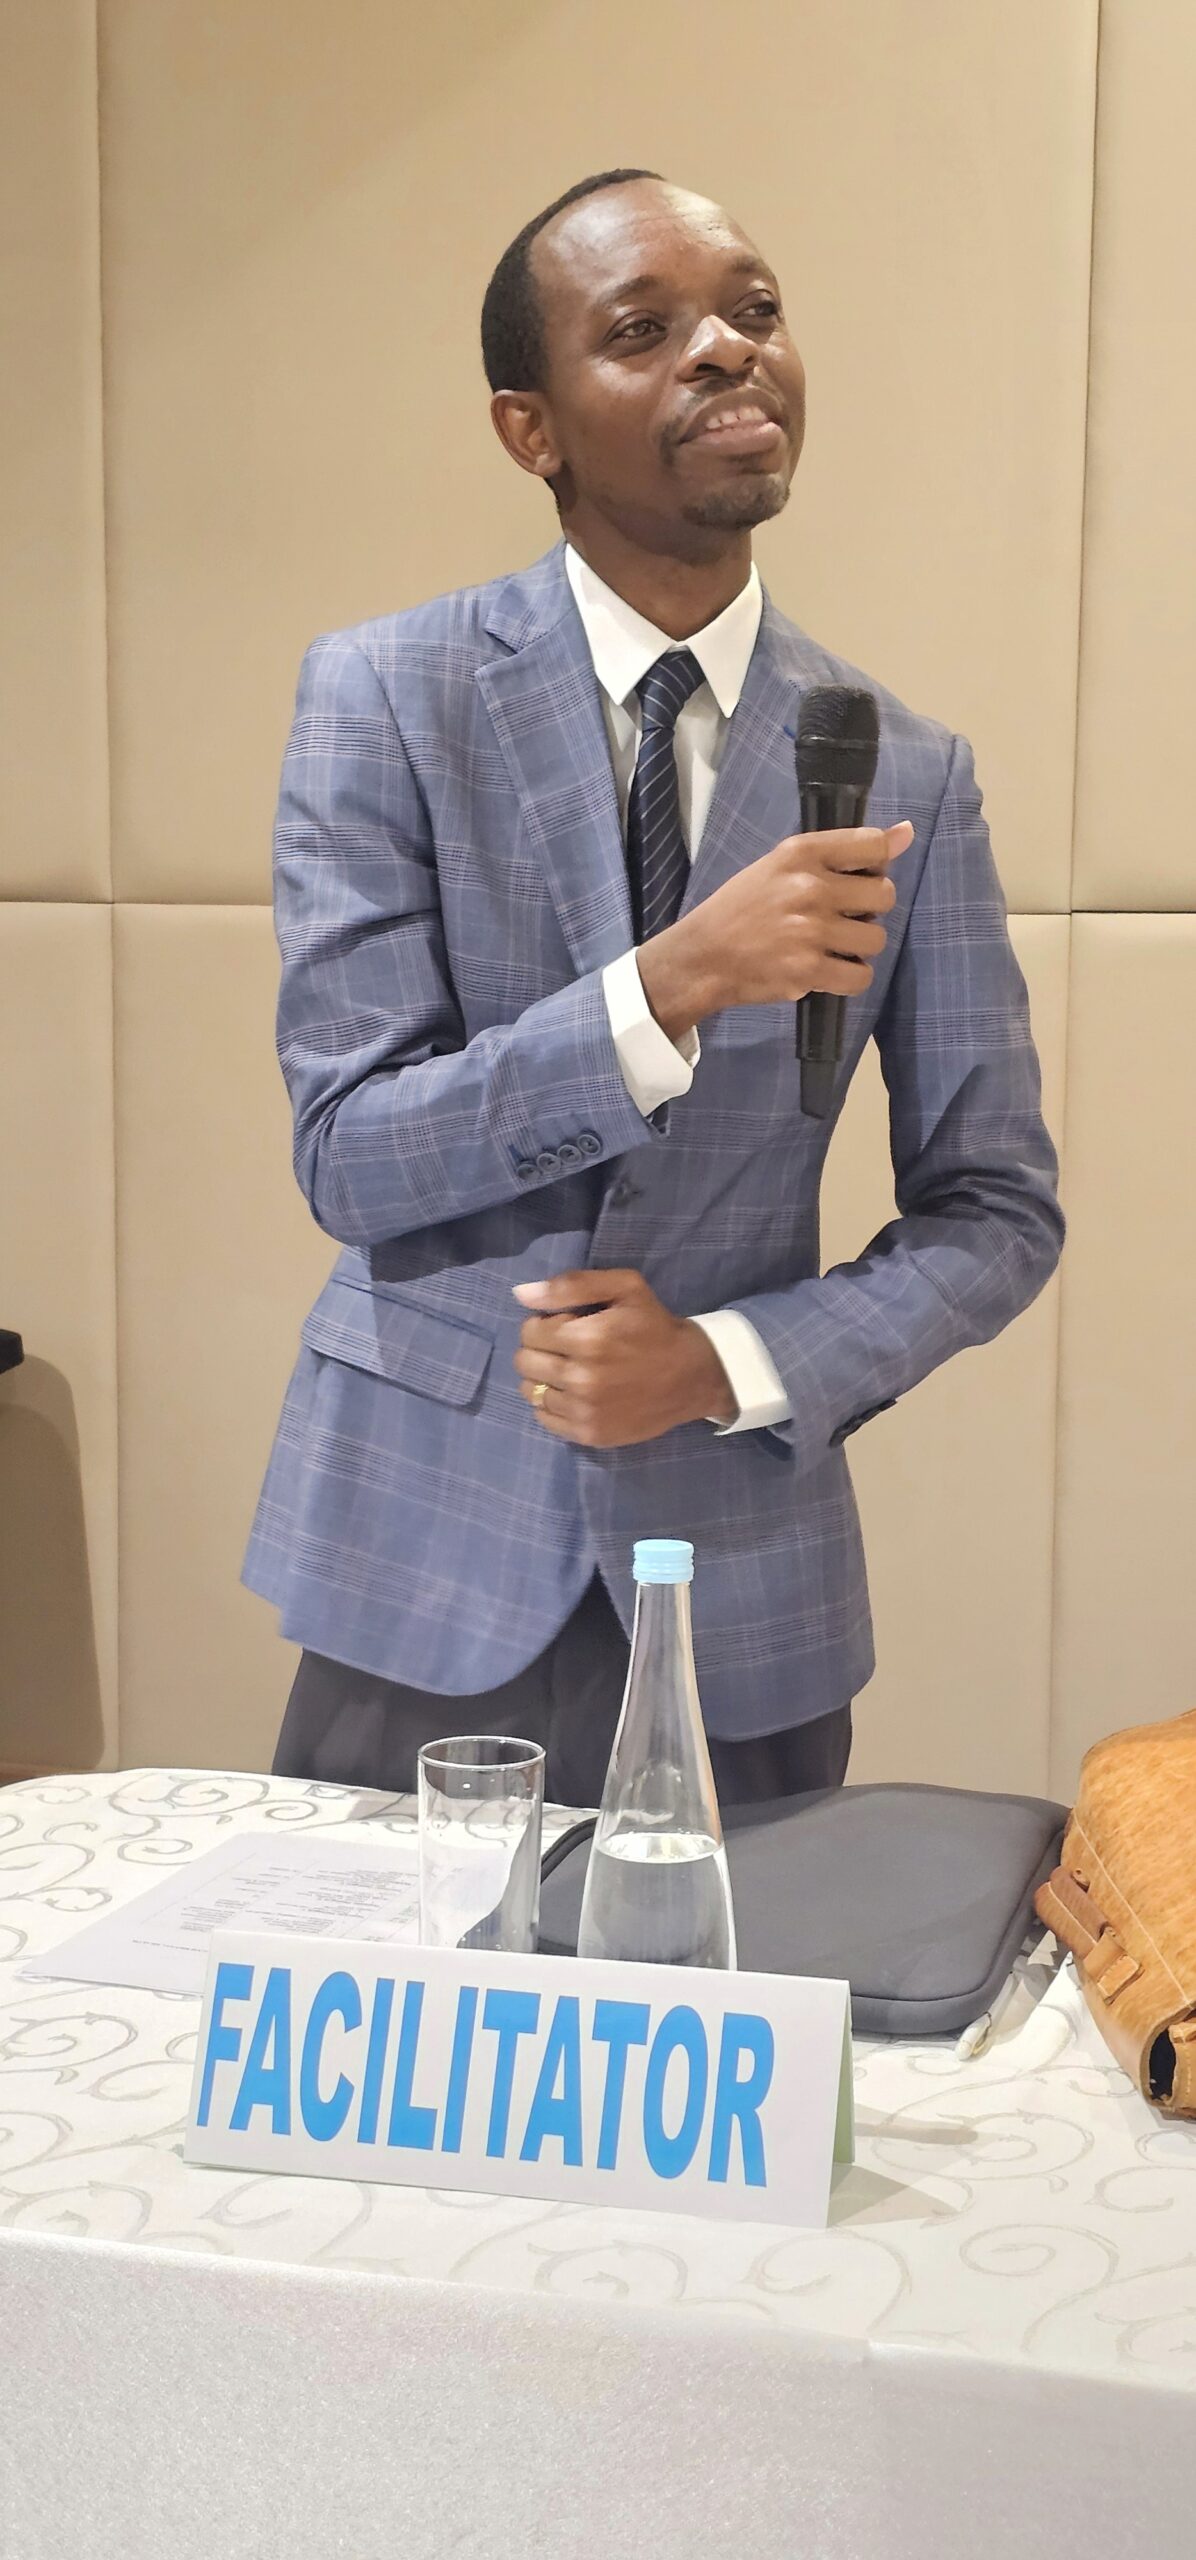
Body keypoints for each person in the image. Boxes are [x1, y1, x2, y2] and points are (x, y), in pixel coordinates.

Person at [244, 167, 1065, 1809]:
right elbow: (352, 1153)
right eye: (643, 331)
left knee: (736, 1984)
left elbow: (997, 1211)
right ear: (530, 429)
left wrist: (726, 1363)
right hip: (423, 1564)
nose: (725, 350)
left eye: (754, 312)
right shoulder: (387, 695)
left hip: (743, 1593)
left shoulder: (905, 767)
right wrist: (667, 988)